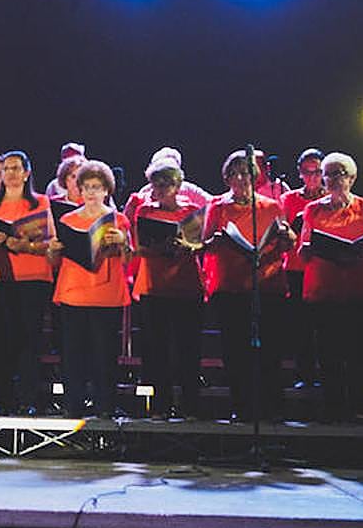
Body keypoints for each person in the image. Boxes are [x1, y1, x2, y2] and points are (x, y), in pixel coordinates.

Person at [201, 150, 293, 421]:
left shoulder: (272, 206)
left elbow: (286, 243)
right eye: (235, 173)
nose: (241, 178)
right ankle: (241, 407)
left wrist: (286, 236)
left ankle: (272, 408)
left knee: (270, 350)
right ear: (227, 177)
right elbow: (206, 245)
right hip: (230, 286)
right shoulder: (218, 206)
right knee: (235, 351)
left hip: (267, 285)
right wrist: (217, 241)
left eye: (246, 173)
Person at [297, 152, 363, 422]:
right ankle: (333, 406)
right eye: (330, 174)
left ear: (352, 178)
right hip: (326, 290)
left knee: (360, 351)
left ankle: (359, 404)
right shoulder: (313, 209)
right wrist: (318, 249)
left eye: (341, 174)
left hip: (361, 289)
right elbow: (302, 251)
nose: (335, 179)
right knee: (329, 352)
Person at [0, 150, 54, 415]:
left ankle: (28, 399)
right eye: (6, 169)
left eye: (16, 168)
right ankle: (2, 399)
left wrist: (23, 245)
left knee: (28, 339)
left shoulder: (41, 203)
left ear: (27, 172)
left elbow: (51, 243)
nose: (10, 173)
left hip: (31, 278)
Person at [48, 160, 131, 417]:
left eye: (97, 187)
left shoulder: (119, 220)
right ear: (79, 191)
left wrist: (123, 242)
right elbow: (54, 262)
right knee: (73, 355)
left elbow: (129, 259)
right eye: (87, 187)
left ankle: (105, 407)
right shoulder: (66, 219)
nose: (92, 192)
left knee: (104, 356)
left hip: (106, 294)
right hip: (73, 292)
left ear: (107, 190)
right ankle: (72, 407)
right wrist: (52, 250)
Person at [132, 161, 207, 418]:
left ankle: (191, 407)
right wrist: (159, 248)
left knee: (188, 350)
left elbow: (201, 246)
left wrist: (188, 246)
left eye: (166, 184)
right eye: (156, 185)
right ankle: (161, 407)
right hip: (155, 287)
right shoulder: (144, 212)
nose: (160, 190)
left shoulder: (193, 210)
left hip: (186, 286)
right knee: (156, 350)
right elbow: (139, 247)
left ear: (177, 186)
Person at [281, 148, 326, 389]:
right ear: (300, 173)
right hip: (296, 268)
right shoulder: (289, 199)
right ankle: (305, 374)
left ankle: (327, 373)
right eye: (308, 172)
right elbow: (280, 231)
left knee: (325, 324)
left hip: (324, 267)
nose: (313, 177)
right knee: (301, 324)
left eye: (318, 172)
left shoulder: (331, 198)